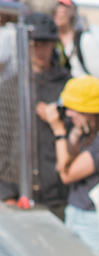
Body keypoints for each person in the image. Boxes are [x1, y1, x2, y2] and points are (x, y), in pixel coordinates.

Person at [37, 75, 99, 256]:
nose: (68, 114)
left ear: (88, 111)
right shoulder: (87, 132)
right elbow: (61, 164)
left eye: (72, 109)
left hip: (94, 219)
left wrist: (59, 131)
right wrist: (74, 134)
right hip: (76, 211)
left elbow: (66, 174)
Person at [0, 12, 69, 215]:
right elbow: (2, 142)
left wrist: (56, 122)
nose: (39, 50)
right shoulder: (10, 86)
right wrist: (6, 192)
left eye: (44, 43)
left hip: (58, 195)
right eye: (34, 44)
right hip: (16, 194)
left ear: (53, 44)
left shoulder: (68, 86)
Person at [48, 0, 99, 80]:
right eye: (52, 6)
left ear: (72, 9)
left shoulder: (85, 40)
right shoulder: (49, 43)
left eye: (60, 5)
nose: (55, 10)